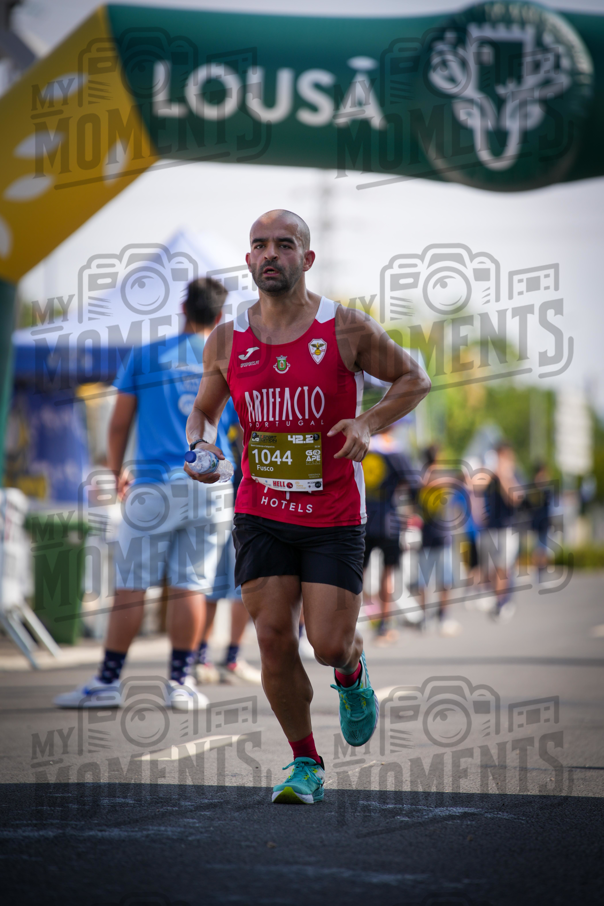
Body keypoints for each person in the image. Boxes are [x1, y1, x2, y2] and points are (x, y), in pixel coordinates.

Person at [185, 209, 431, 803]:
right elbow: (205, 411)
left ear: (307, 258)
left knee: (325, 643)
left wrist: (368, 422)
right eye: (260, 245)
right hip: (260, 508)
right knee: (271, 636)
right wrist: (200, 445)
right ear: (248, 260)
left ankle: (352, 673)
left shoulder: (345, 328)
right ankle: (304, 763)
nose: (271, 254)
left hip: (332, 515)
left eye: (285, 244)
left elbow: (415, 379)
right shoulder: (226, 338)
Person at [55, 277, 234, 710]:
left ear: (182, 308)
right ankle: (181, 682)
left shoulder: (147, 355)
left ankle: (108, 682)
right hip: (211, 483)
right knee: (191, 586)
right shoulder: (229, 358)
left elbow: (118, 423)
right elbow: (244, 427)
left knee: (132, 585)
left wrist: (115, 471)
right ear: (221, 316)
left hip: (153, 482)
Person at [361, 426, 416, 645]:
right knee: (388, 573)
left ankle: (350, 620)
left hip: (361, 518)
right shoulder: (396, 451)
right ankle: (384, 625)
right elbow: (414, 483)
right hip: (389, 520)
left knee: (357, 573)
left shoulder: (362, 445)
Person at [415, 446, 460, 636]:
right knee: (434, 579)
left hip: (435, 534)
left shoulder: (425, 477)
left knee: (440, 579)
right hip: (435, 534)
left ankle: (437, 616)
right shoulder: (428, 477)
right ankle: (435, 616)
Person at [479, 441, 522, 620]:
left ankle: (503, 602)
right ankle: (500, 600)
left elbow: (515, 498)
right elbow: (476, 488)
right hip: (491, 527)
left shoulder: (513, 474)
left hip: (507, 527)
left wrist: (504, 475)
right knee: (493, 569)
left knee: (503, 567)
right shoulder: (489, 474)